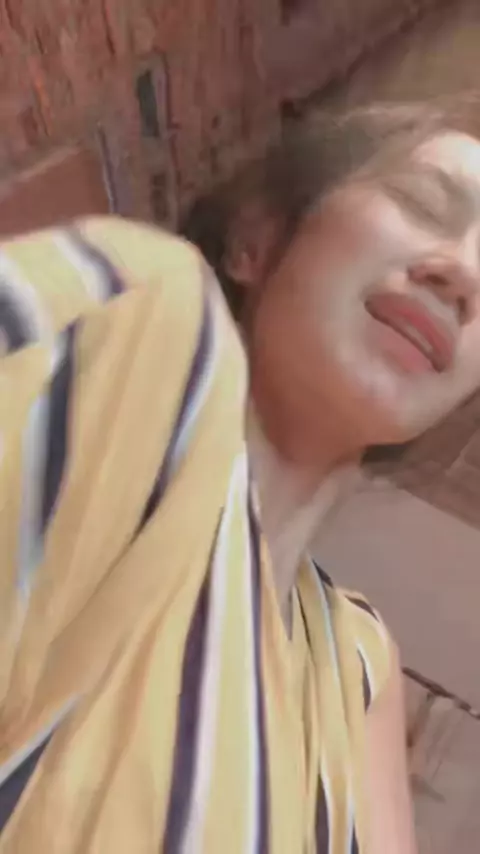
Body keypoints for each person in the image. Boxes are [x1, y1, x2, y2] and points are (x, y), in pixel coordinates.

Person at [1, 100, 480, 853]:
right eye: (422, 204)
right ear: (256, 237)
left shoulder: (359, 666)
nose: (463, 279)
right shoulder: (147, 324)